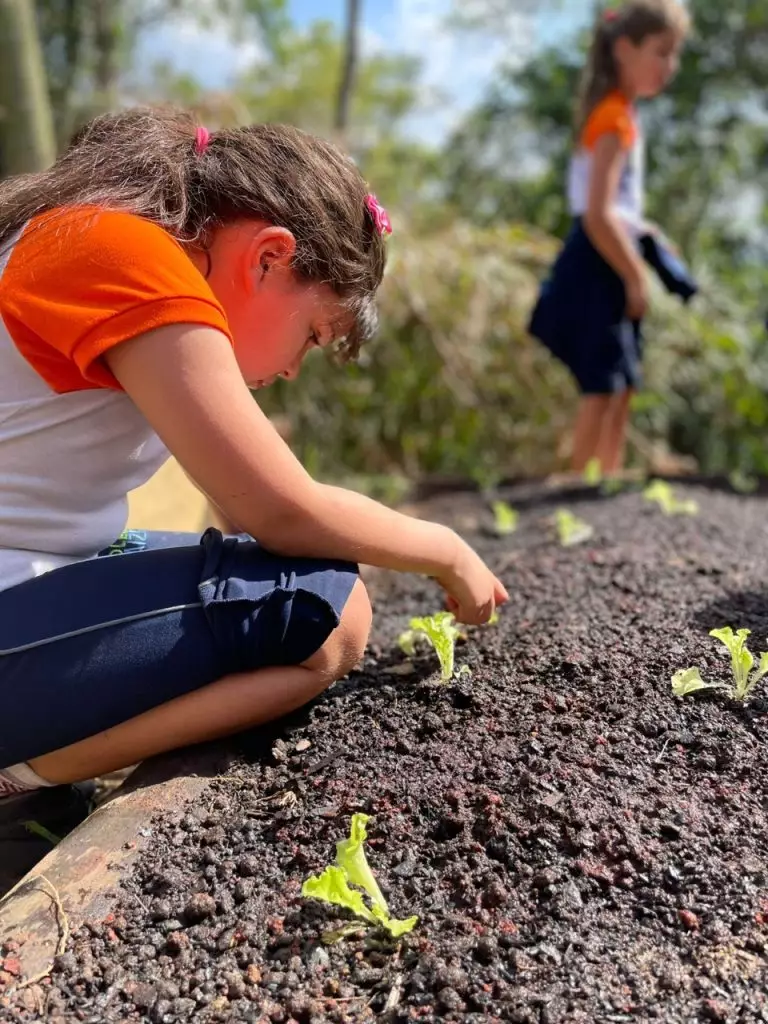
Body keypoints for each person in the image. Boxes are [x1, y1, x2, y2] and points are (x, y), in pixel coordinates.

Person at [0, 107, 507, 810]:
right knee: (328, 611)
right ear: (269, 256)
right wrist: (445, 548)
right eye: (313, 334)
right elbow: (277, 509)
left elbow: (246, 501)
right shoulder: (121, 255)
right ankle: (27, 775)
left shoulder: (112, 240)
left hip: (35, 568)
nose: (298, 367)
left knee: (300, 580)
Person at [528, 0, 695, 475]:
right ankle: (580, 483)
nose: (671, 66)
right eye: (661, 52)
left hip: (612, 248)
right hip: (599, 255)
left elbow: (617, 208)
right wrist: (634, 274)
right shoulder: (613, 118)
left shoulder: (622, 115)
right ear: (625, 48)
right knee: (602, 381)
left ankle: (608, 478)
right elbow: (598, 214)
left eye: (674, 54)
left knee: (624, 378)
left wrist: (647, 234)